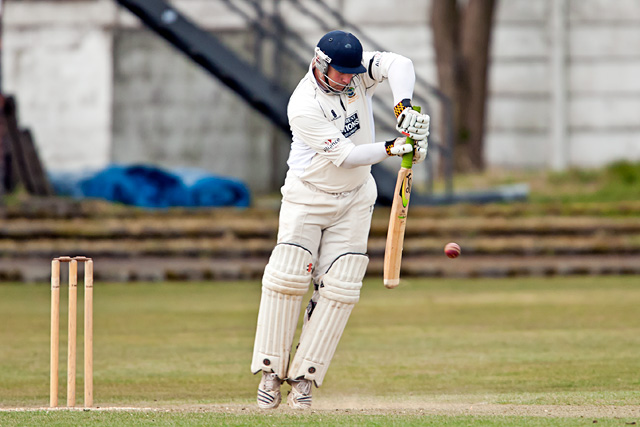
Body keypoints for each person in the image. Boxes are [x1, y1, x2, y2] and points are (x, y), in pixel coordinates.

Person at [250, 30, 430, 410]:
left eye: (352, 73)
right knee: (288, 276)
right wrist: (393, 147)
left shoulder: (353, 73)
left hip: (354, 198)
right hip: (307, 197)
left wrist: (404, 109)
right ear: (319, 63)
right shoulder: (303, 105)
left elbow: (400, 64)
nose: (348, 80)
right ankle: (271, 372)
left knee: (342, 286)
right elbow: (347, 155)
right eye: (341, 74)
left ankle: (304, 380)